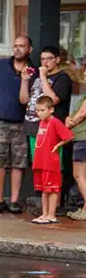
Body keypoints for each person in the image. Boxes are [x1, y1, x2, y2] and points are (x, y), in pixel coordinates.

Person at [0, 35, 36, 215]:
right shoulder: (0, 66)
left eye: (22, 46)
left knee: (18, 164)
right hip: (0, 121)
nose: (18, 49)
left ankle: (14, 201)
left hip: (23, 123)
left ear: (30, 49)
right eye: (15, 46)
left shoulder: (34, 70)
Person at [31, 96, 74, 224]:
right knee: (44, 189)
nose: (39, 113)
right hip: (41, 161)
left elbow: (69, 136)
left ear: (51, 110)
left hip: (50, 162)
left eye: (42, 110)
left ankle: (51, 215)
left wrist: (57, 145)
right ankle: (44, 214)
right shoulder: (41, 123)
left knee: (53, 189)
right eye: (37, 110)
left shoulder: (55, 122)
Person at [66, 85, 86, 221]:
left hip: (82, 138)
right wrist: (69, 118)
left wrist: (70, 122)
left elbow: (81, 114)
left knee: (78, 175)